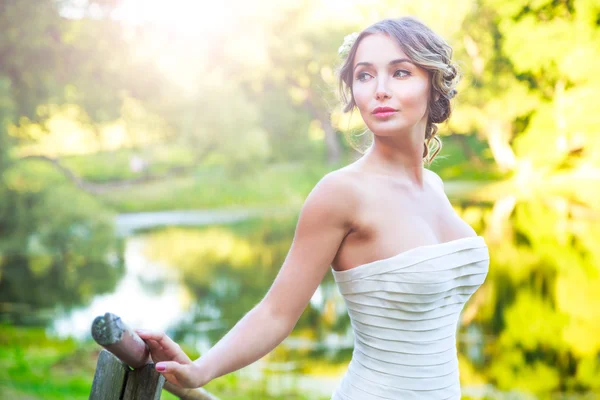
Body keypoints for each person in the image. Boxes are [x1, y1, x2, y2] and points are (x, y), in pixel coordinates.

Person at [136, 16, 489, 399]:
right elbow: (276, 313)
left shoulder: (434, 186)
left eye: (401, 72)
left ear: (433, 86)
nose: (380, 90)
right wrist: (199, 370)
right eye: (365, 75)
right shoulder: (340, 193)